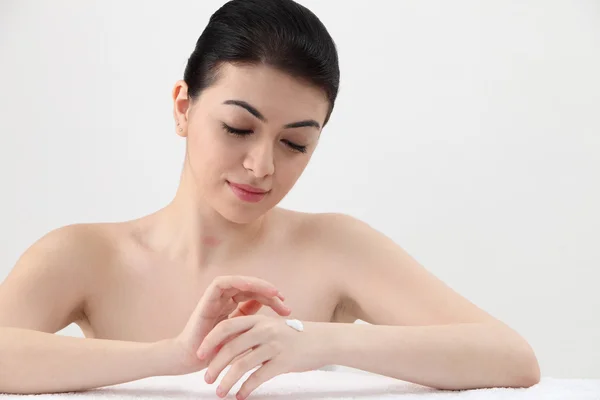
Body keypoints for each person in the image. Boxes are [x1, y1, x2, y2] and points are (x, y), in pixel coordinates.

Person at [0, 0, 540, 398]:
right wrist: (172, 357)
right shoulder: (85, 255)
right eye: (238, 128)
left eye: (295, 143)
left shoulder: (336, 246)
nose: (263, 167)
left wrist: (314, 341)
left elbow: (512, 358)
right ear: (183, 107)